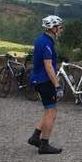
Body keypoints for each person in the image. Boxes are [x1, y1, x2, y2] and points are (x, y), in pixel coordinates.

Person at [27, 15, 65, 154]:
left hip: (38, 79)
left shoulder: (40, 39)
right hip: (45, 81)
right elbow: (48, 66)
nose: (61, 30)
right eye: (60, 27)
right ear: (53, 28)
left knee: (49, 110)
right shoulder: (48, 43)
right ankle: (44, 144)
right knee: (51, 112)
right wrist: (57, 85)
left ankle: (35, 136)